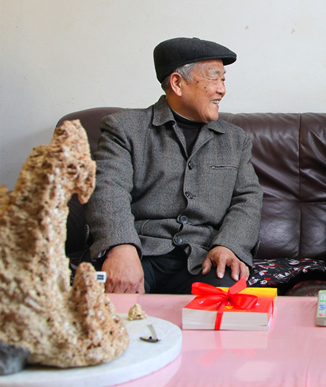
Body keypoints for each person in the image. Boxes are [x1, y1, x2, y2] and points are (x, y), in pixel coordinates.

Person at [85, 37, 263, 294]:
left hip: (203, 257)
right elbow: (108, 188)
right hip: (141, 250)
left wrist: (229, 245)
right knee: (113, 303)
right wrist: (121, 247)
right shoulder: (124, 128)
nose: (222, 90)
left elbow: (248, 198)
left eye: (223, 80)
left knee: (226, 296)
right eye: (214, 78)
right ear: (177, 83)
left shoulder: (235, 139)